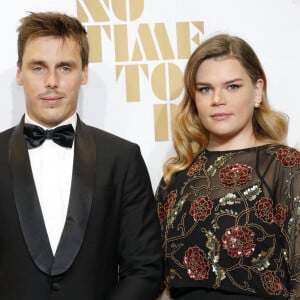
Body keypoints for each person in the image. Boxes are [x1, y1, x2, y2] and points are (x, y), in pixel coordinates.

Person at [0, 11, 162, 299]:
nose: (51, 81)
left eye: (65, 68)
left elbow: (145, 268)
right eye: (38, 67)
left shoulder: (121, 158)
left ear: (84, 73)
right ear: (19, 73)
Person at [156, 33, 300, 300]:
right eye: (205, 89)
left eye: (232, 86)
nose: (217, 99)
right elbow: (160, 284)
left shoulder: (284, 165)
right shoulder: (176, 177)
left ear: (257, 90)